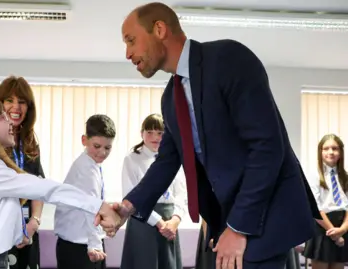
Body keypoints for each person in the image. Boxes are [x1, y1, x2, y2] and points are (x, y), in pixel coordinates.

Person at [108, 2, 321, 269]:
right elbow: (166, 162)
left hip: (264, 213)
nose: (127, 53)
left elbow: (268, 147)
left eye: (131, 40)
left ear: (159, 29)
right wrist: (126, 207)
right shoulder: (170, 100)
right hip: (227, 219)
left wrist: (238, 226)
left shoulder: (228, 59)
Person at [0, 98, 120, 269]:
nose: (9, 120)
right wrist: (100, 206)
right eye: (1, 117)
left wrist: (19, 234)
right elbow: (45, 189)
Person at [120, 113, 186, 269]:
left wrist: (175, 220)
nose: (155, 137)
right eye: (149, 132)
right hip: (143, 221)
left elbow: (181, 193)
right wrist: (159, 222)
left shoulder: (173, 158)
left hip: (169, 223)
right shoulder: (132, 159)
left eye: (160, 133)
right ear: (141, 133)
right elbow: (130, 198)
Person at [0, 76, 45, 269]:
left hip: (27, 231)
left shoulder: (31, 143)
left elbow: (39, 186)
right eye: (9, 100)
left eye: (22, 102)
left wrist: (34, 222)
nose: (16, 107)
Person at [54, 114, 116, 269]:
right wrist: (95, 245)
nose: (102, 152)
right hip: (81, 247)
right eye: (97, 146)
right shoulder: (85, 169)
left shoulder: (92, 165)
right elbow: (91, 209)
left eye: (107, 148)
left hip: (84, 243)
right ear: (84, 140)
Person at [304, 134, 348, 269]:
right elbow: (316, 208)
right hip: (322, 227)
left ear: (340, 152)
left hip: (341, 226)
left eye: (335, 148)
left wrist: (342, 230)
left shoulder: (345, 176)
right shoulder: (314, 175)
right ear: (320, 152)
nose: (331, 152)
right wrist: (335, 235)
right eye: (326, 148)